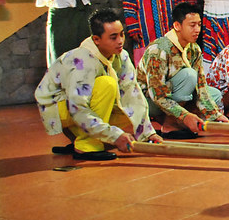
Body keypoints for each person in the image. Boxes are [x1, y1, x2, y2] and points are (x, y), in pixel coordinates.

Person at [34, 9, 163, 161]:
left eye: (121, 34)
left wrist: (147, 133)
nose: (120, 41)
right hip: (57, 106)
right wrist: (114, 136)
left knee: (126, 106)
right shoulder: (83, 60)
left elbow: (132, 92)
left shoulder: (122, 56)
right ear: (96, 39)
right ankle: (86, 146)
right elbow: (77, 107)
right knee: (107, 84)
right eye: (113, 37)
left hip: (76, 105)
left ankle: (82, 136)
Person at [137, 3, 228, 139]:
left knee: (214, 94)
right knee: (189, 75)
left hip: (174, 95)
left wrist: (215, 114)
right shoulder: (159, 49)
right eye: (192, 25)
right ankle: (170, 124)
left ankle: (179, 120)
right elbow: (157, 95)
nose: (197, 29)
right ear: (177, 26)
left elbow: (201, 86)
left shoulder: (194, 49)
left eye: (199, 24)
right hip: (148, 100)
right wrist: (184, 116)